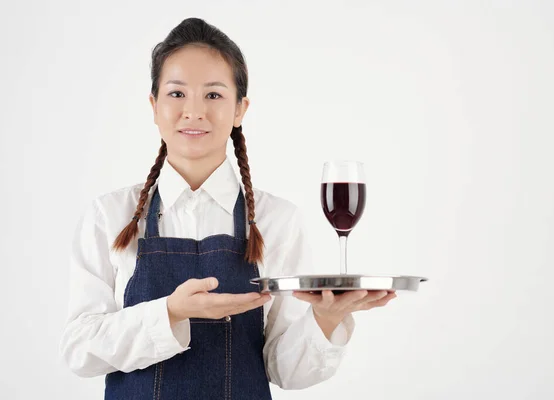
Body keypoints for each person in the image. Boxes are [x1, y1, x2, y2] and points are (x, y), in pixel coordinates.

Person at [58, 17, 397, 400]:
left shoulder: (277, 220)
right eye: (176, 94)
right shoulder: (109, 216)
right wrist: (169, 312)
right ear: (154, 106)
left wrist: (326, 318)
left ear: (240, 109)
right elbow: (79, 350)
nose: (194, 111)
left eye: (214, 95)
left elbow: (283, 370)